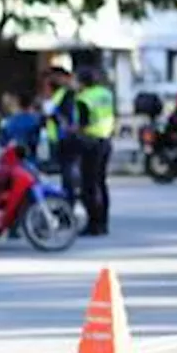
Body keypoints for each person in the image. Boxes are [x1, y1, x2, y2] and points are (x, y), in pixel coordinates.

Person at [77, 66, 115, 236]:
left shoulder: (84, 98)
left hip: (90, 142)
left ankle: (93, 223)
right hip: (106, 140)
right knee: (101, 182)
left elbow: (82, 124)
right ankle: (103, 222)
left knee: (89, 185)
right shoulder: (106, 94)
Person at [44, 67, 83, 206]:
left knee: (69, 172)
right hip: (61, 137)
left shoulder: (68, 94)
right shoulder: (60, 93)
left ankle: (70, 201)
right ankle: (70, 199)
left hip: (67, 138)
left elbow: (62, 116)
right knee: (67, 171)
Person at [0, 91, 43, 158]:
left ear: (17, 103)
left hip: (13, 161)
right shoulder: (35, 121)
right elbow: (37, 141)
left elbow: (2, 143)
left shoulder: (7, 122)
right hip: (30, 159)